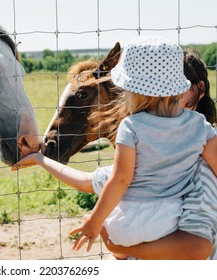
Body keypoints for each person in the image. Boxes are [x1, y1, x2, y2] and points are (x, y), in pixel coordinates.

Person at [12, 36, 217, 259]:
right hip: (172, 219)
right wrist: (41, 159)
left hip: (134, 226)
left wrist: (96, 222)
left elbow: (118, 180)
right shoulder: (200, 127)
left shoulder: (132, 128)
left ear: (134, 92)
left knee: (116, 245)